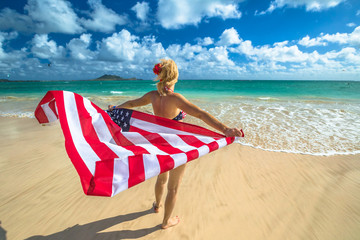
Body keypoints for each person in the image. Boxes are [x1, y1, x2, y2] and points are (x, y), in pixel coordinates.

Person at [108, 59, 243, 229]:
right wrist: (225, 129)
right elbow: (201, 114)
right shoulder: (176, 98)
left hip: (158, 143)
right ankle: (166, 222)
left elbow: (132, 104)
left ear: (159, 75)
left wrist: (115, 109)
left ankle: (157, 206)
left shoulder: (152, 96)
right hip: (176, 146)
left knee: (161, 178)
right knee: (173, 188)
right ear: (175, 77)